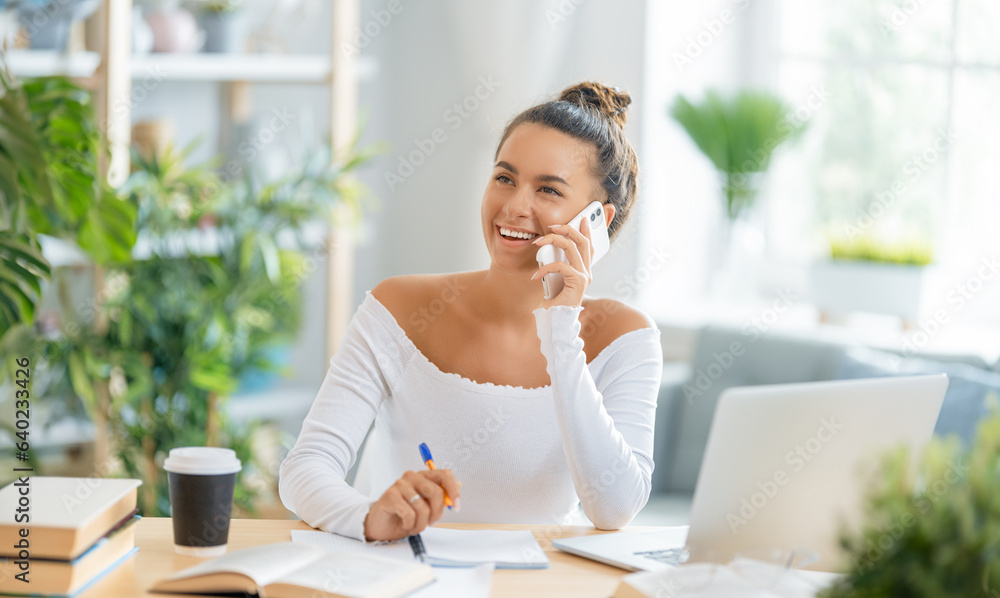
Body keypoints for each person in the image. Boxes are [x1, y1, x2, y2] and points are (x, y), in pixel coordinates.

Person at [278, 81, 663, 542]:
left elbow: (614, 508)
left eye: (548, 190)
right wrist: (368, 516)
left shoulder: (626, 338)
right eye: (505, 178)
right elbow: (305, 467)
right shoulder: (399, 309)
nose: (515, 206)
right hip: (402, 577)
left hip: (539, 583)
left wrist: (561, 328)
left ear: (597, 220)